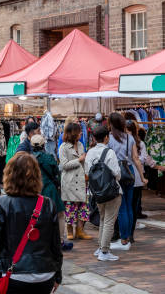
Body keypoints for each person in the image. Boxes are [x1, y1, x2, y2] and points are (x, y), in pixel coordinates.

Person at [0, 152, 62, 293]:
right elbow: (55, 244)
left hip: (14, 274)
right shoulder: (48, 204)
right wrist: (58, 275)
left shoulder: (2, 204)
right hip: (44, 274)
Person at [108, 112, 147, 250]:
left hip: (117, 172)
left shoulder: (111, 138)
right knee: (129, 206)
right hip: (130, 171)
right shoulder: (130, 138)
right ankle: (128, 237)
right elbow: (136, 158)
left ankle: (123, 240)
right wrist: (142, 177)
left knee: (122, 207)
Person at [85, 125, 122, 261]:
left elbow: (87, 172)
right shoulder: (109, 152)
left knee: (102, 219)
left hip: (97, 192)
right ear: (107, 137)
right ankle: (104, 251)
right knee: (109, 221)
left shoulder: (89, 152)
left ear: (94, 138)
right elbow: (117, 173)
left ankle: (100, 247)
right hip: (112, 191)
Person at [32, 135, 72, 252]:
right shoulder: (48, 158)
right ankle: (59, 241)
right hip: (49, 188)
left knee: (36, 215)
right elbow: (56, 173)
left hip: (33, 189)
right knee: (59, 214)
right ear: (43, 145)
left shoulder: (28, 158)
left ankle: (37, 240)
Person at [59, 122, 91, 241]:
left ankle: (80, 230)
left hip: (81, 180)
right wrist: (79, 160)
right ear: (73, 133)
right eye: (79, 131)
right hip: (70, 181)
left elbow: (85, 162)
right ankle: (69, 230)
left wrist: (87, 174)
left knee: (82, 206)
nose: (81, 133)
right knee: (70, 206)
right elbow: (64, 165)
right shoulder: (63, 147)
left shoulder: (81, 145)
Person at [125, 120, 145, 242]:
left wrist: (134, 157)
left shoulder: (140, 143)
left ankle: (130, 233)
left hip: (136, 177)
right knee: (125, 206)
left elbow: (143, 158)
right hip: (125, 175)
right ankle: (123, 233)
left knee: (133, 206)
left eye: (127, 130)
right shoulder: (121, 142)